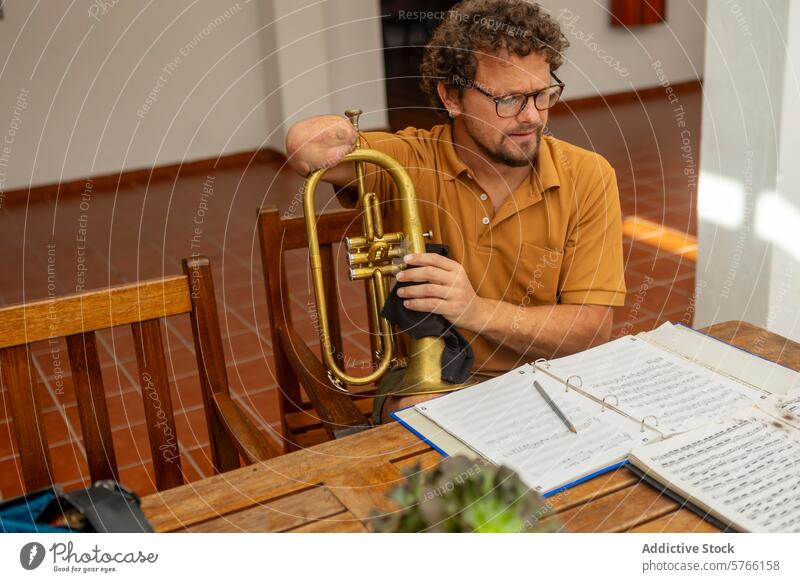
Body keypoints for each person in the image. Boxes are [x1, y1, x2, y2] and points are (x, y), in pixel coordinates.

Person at [285, 0, 626, 418]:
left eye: (542, 94)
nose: (532, 116)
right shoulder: (407, 160)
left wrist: (474, 310)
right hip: (440, 384)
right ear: (452, 96)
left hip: (551, 382)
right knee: (428, 456)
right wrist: (331, 133)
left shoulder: (588, 175)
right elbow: (304, 149)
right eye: (510, 99)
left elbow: (591, 331)